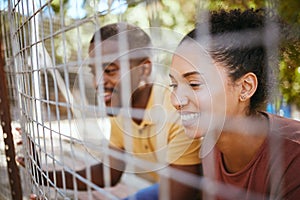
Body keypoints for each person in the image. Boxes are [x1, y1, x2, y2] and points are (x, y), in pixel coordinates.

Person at [20, 22, 202, 200]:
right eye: (94, 72)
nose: (97, 82)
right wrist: (40, 173)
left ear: (144, 68)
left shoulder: (177, 109)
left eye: (110, 71)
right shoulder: (122, 106)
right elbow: (108, 173)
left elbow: (182, 194)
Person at [169, 9, 300, 199]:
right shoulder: (209, 147)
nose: (176, 100)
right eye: (173, 84)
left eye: (195, 84)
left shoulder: (293, 159)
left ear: (245, 87)